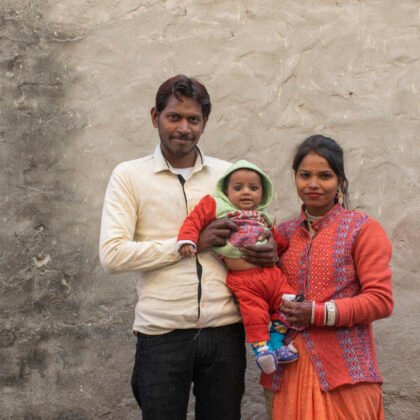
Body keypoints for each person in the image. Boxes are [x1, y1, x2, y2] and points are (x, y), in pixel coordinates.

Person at [99, 74, 276, 420]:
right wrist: (190, 243)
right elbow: (113, 254)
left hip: (225, 330)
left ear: (204, 123)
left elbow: (258, 230)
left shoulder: (228, 176)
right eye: (174, 117)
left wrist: (267, 251)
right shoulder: (129, 176)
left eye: (193, 119)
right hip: (162, 333)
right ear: (155, 117)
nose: (183, 128)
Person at [261, 135, 394, 420]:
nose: (313, 184)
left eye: (325, 175)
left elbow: (381, 301)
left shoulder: (362, 229)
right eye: (305, 175)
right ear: (295, 178)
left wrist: (317, 313)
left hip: (345, 375)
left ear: (339, 181)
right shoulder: (282, 234)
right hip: (287, 370)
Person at [177, 159, 300, 375]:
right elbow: (194, 221)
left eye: (253, 188)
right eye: (238, 187)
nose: (246, 193)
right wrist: (188, 240)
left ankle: (277, 342)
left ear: (263, 193)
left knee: (290, 304)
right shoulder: (216, 206)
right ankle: (261, 349)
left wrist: (275, 244)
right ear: (226, 190)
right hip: (244, 280)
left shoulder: (264, 216)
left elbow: (279, 243)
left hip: (272, 275)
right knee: (255, 313)